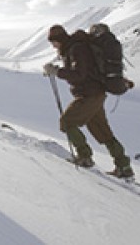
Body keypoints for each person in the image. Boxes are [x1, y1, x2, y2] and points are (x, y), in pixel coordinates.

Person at [43, 24, 134, 178]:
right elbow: (83, 71)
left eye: (54, 42)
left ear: (60, 39)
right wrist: (57, 70)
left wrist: (57, 71)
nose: (53, 46)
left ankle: (85, 157)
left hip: (89, 95)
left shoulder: (77, 49)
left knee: (67, 122)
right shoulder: (73, 49)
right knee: (103, 132)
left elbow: (80, 75)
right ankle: (124, 166)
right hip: (94, 94)